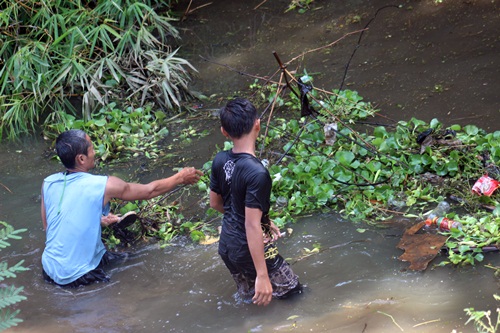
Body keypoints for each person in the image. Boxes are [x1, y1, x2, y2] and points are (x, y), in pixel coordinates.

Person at [41, 129, 203, 288]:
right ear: (81, 158)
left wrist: (98, 220)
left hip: (49, 270)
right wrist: (180, 177)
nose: (95, 152)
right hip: (77, 276)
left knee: (125, 257)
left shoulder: (48, 183)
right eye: (91, 148)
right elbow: (149, 191)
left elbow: (49, 227)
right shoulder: (104, 185)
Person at [209, 98, 301, 306]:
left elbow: (215, 203)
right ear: (257, 124)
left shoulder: (220, 160)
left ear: (224, 131)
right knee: (294, 293)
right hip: (246, 246)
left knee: (250, 298)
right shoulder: (257, 173)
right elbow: (250, 225)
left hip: (227, 246)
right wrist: (262, 275)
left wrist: (262, 221)